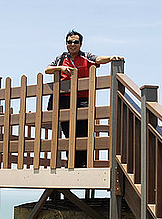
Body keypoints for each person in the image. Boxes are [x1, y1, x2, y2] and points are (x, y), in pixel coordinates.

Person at [45, 30, 124, 168]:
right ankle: (71, 162)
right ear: (66, 44)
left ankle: (81, 163)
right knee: (68, 132)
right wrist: (61, 68)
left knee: (83, 131)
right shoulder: (61, 58)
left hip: (82, 98)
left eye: (75, 42)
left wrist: (111, 58)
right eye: (69, 42)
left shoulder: (86, 56)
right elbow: (47, 69)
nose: (72, 44)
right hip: (64, 99)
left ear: (80, 44)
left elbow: (98, 59)